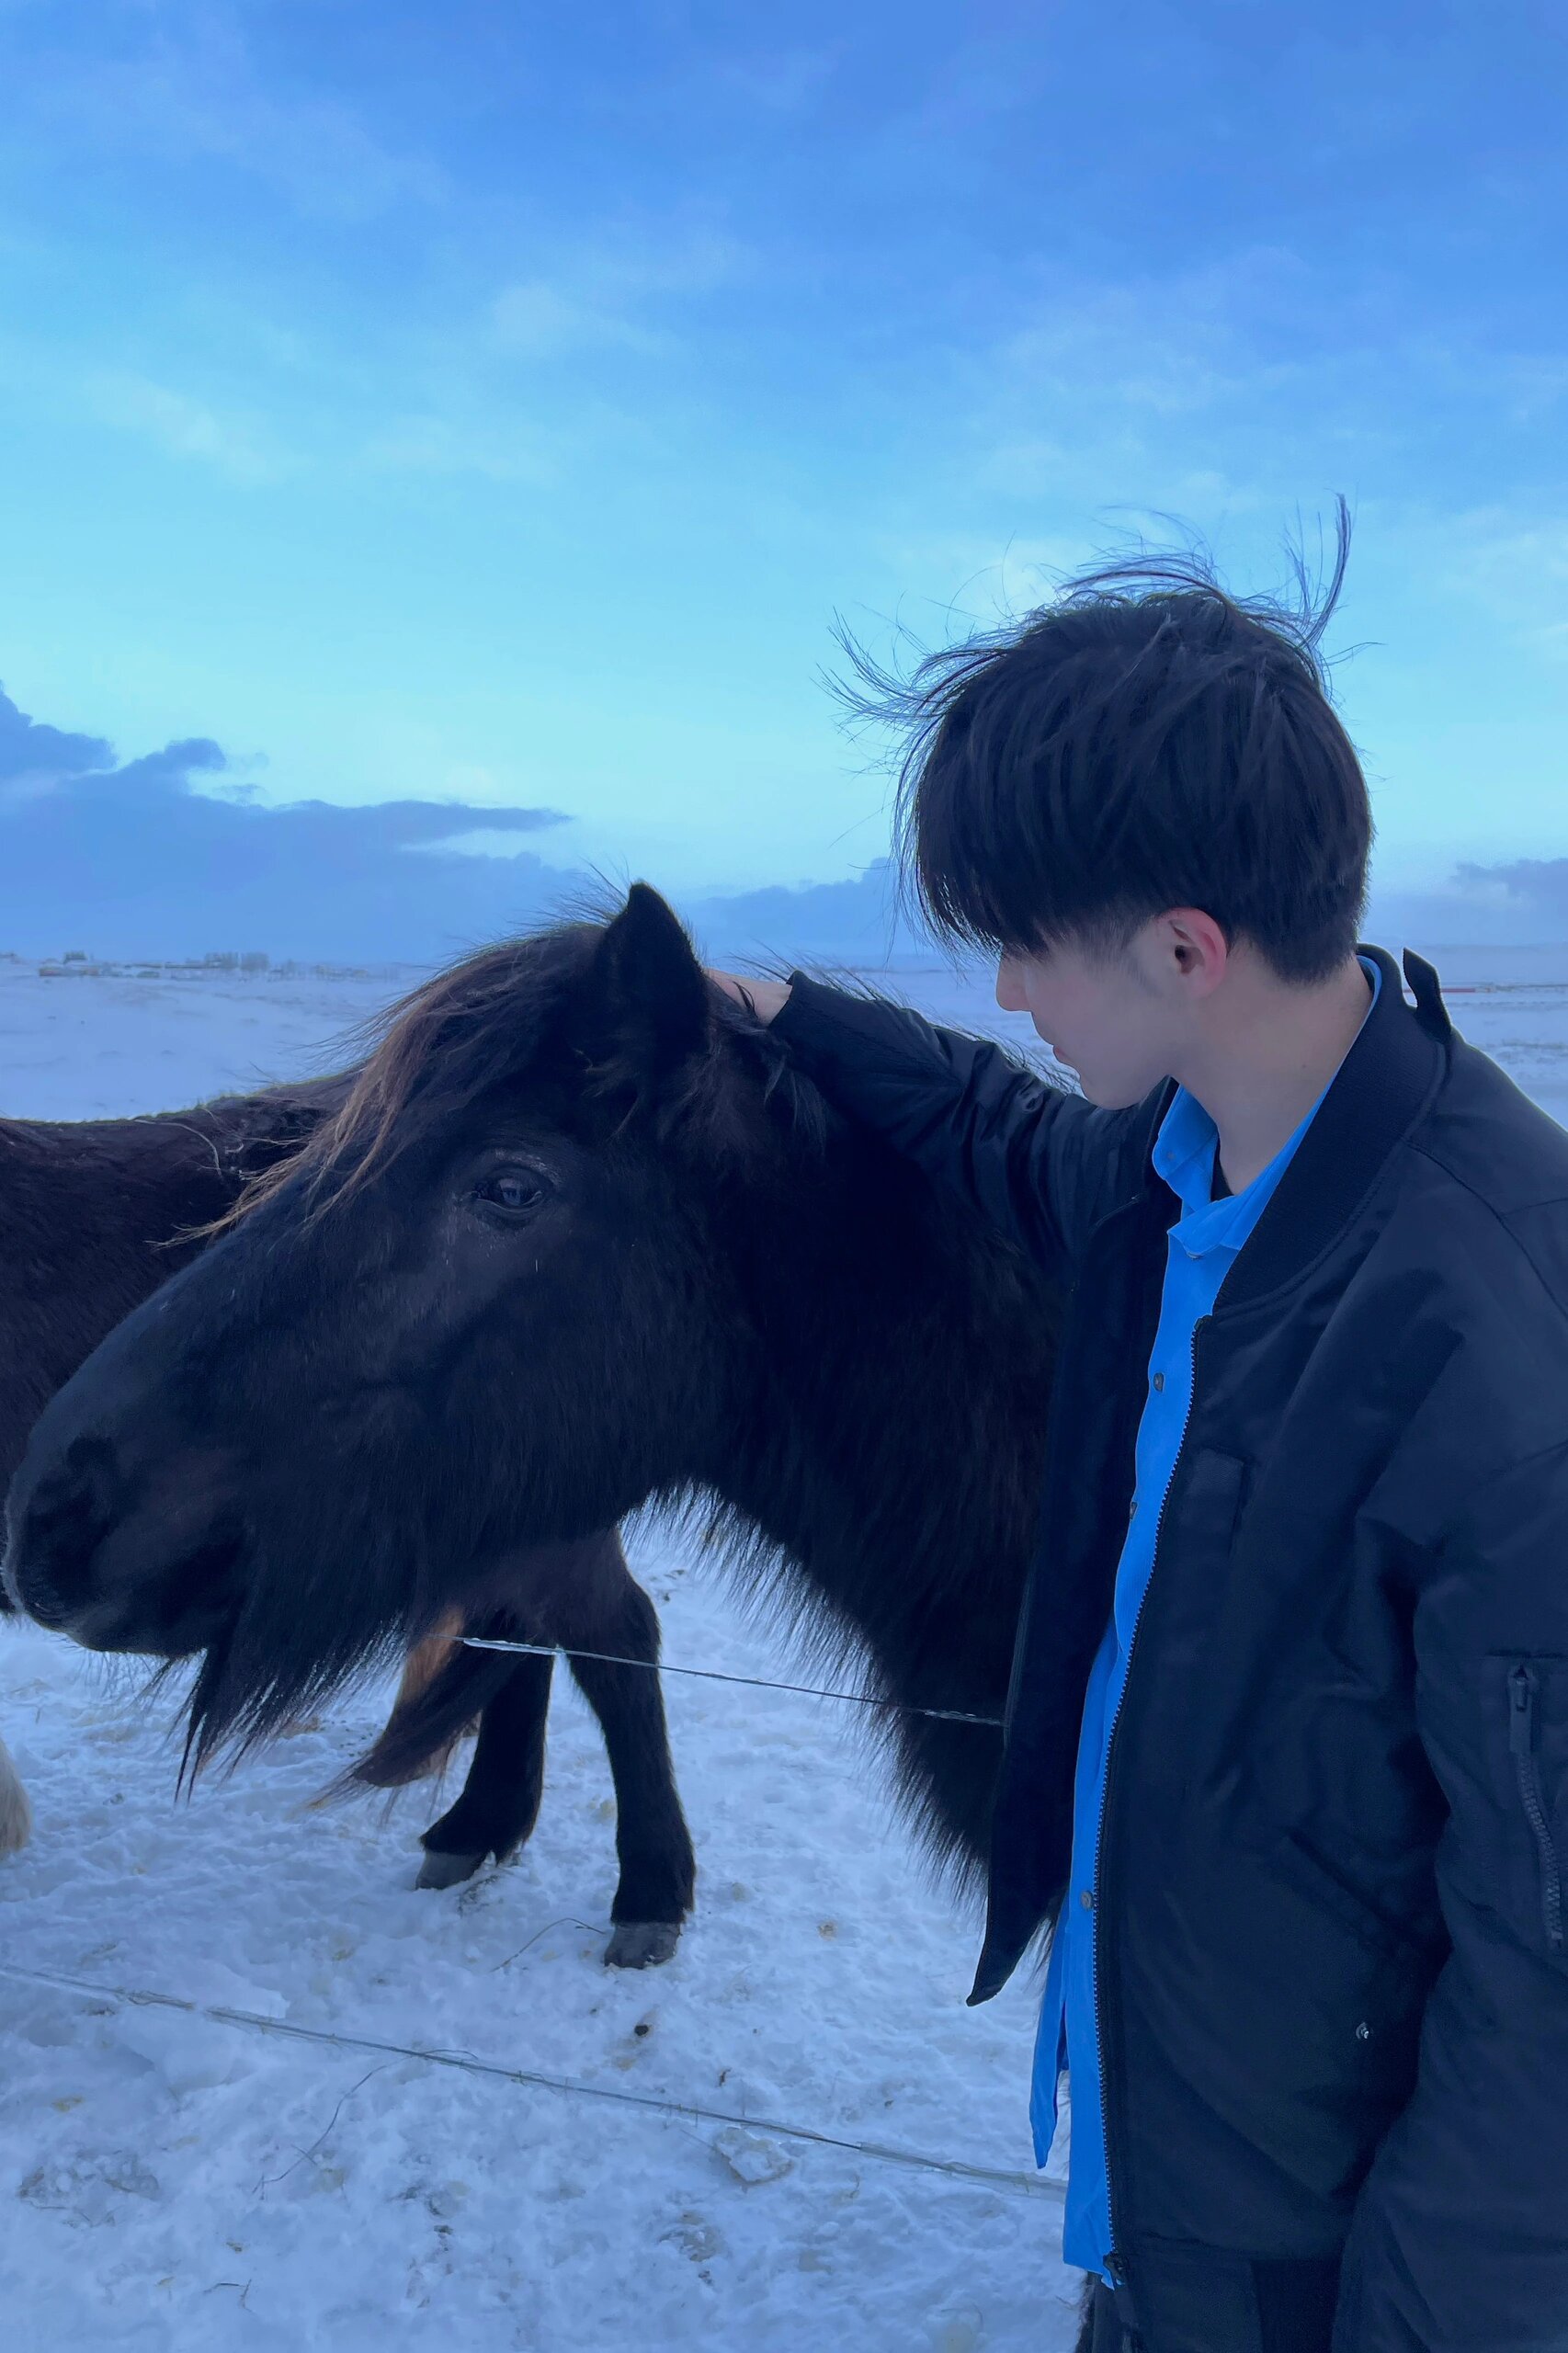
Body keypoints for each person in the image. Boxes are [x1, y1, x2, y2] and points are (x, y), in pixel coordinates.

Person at [712, 536, 1568, 2353]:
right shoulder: (1177, 1166)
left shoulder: (1500, 1345)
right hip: (1168, 2201)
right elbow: (1000, 1131)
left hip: (1317, 2283)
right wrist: (801, 1021)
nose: (1008, 994)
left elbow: (1547, 1995)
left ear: (1184, 949)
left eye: (1023, 945)